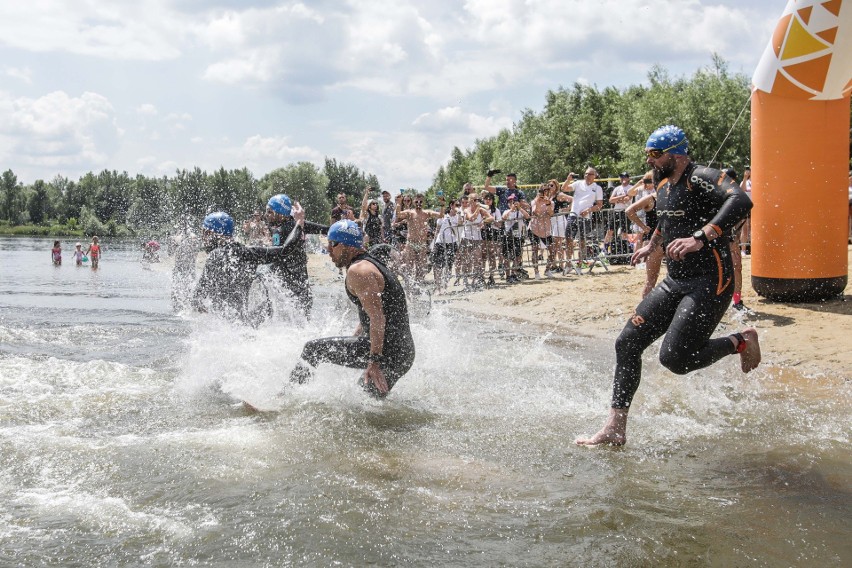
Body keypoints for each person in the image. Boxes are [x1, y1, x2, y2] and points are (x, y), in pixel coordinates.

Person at [576, 125, 761, 447]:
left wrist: (702, 236)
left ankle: (740, 341)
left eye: (654, 154)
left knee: (675, 360)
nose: (649, 160)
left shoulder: (701, 176)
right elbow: (667, 220)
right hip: (676, 279)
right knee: (627, 343)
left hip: (710, 279)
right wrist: (653, 243)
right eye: (648, 153)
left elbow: (741, 201)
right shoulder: (663, 185)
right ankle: (615, 428)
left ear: (675, 154)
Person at [288, 220, 415, 398]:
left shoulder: (359, 271)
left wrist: (374, 361)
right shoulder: (370, 263)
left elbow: (378, 318)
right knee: (365, 403)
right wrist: (353, 339)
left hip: (388, 351)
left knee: (313, 350)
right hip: (400, 351)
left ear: (348, 244)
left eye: (333, 244)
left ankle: (286, 399)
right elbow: (373, 312)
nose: (329, 250)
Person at [192, 208, 306, 326]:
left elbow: (196, 300)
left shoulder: (214, 257)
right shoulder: (250, 253)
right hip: (244, 324)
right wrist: (299, 223)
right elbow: (285, 250)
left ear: (211, 233)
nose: (203, 239)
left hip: (224, 328)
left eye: (205, 233)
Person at [264, 194, 330, 318]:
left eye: (269, 211)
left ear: (280, 213)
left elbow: (276, 255)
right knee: (305, 312)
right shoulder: (298, 224)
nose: (266, 215)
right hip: (301, 280)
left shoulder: (280, 230)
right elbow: (324, 229)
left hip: (284, 281)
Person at [624, 173, 664, 298]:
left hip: (670, 240)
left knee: (676, 278)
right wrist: (643, 227)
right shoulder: (651, 198)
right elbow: (629, 211)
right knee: (651, 280)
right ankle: (644, 311)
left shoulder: (672, 196)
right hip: (654, 242)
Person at [394, 193, 443, 287]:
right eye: (416, 201)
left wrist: (442, 204)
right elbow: (399, 214)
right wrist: (399, 203)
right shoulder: (410, 213)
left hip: (422, 244)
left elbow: (441, 215)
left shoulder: (427, 213)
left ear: (423, 202)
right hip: (411, 243)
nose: (418, 203)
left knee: (421, 268)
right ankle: (409, 286)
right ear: (414, 202)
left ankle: (418, 286)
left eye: (420, 201)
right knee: (409, 266)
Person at [565, 168, 604, 271]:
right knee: (569, 239)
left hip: (586, 217)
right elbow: (564, 189)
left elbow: (600, 205)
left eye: (590, 174)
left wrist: (589, 210)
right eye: (586, 173)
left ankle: (580, 264)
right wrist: (568, 179)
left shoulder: (597, 188)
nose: (587, 175)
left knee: (582, 241)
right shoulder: (578, 183)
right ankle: (568, 264)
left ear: (595, 175)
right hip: (573, 215)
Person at [431, 198, 463, 294]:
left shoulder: (458, 216)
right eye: (456, 205)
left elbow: (461, 223)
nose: (457, 207)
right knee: (437, 266)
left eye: (458, 205)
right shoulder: (443, 216)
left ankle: (444, 286)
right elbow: (437, 229)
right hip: (440, 242)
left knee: (448, 266)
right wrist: (433, 242)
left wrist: (459, 212)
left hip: (452, 243)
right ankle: (437, 287)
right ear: (451, 205)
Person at [501, 194, 530, 283]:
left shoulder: (520, 211)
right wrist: (511, 209)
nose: (512, 203)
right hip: (508, 237)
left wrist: (520, 208)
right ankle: (508, 275)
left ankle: (513, 273)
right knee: (507, 257)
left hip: (518, 237)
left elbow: (527, 216)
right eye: (510, 202)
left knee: (518, 256)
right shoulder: (506, 211)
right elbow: (504, 217)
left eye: (513, 202)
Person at [529, 184, 554, 279]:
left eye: (547, 190)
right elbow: (536, 213)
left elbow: (551, 213)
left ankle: (547, 270)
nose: (545, 193)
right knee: (535, 250)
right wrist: (539, 202)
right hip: (534, 228)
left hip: (546, 229)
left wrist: (547, 203)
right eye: (543, 191)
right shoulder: (534, 201)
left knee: (552, 251)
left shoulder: (550, 202)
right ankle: (536, 273)